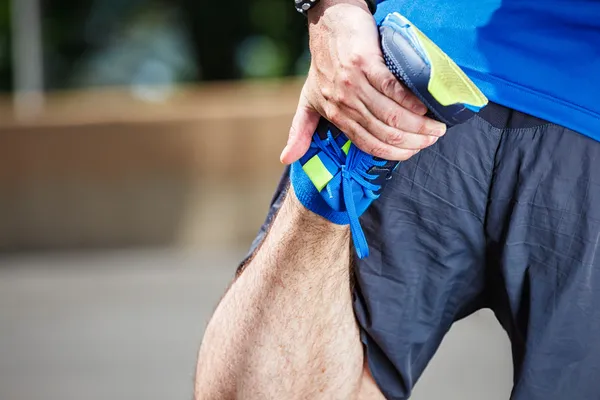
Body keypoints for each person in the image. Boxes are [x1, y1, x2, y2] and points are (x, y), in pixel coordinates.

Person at [194, 0, 600, 399]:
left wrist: (332, 9)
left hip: (422, 70)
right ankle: (334, 185)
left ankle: (334, 180)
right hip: (439, 86)